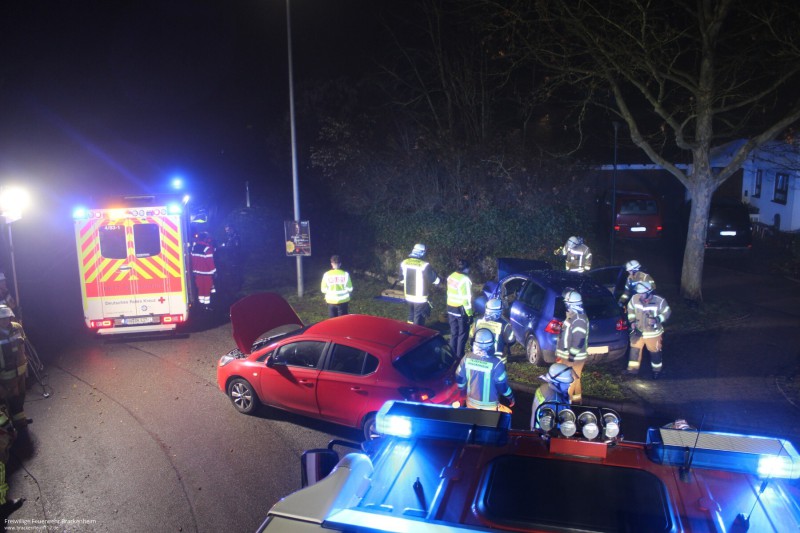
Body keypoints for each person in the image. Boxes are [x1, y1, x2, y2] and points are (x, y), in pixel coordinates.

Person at [456, 328, 515, 411]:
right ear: (491, 344)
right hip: (490, 406)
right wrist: (510, 397)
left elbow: (459, 378)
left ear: (474, 342)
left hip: (471, 403)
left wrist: (462, 392)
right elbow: (502, 387)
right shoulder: (497, 363)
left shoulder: (466, 358)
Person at [626, 280, 671, 379]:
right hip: (638, 332)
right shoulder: (634, 299)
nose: (640, 295)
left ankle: (657, 371)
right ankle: (632, 371)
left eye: (642, 293)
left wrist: (657, 319)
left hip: (653, 334)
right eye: (639, 293)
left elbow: (667, 312)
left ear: (649, 292)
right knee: (634, 351)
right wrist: (632, 321)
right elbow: (630, 309)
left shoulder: (660, 301)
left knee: (655, 353)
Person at [555, 290, 589, 403]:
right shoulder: (573, 317)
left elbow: (579, 339)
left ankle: (566, 401)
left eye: (567, 304)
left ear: (572, 304)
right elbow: (565, 333)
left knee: (569, 378)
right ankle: (577, 400)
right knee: (576, 377)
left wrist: (572, 356)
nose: (566, 306)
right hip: (570, 355)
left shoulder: (579, 320)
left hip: (575, 357)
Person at [0, 305, 28, 430]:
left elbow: (23, 344)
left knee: (21, 395)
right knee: (12, 398)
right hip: (6, 375)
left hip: (21, 370)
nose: (5, 320)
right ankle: (16, 425)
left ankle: (20, 420)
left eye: (6, 317)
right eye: (1, 318)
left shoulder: (17, 327)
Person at [399, 243, 440, 325]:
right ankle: (417, 331)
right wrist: (438, 281)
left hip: (408, 294)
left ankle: (409, 329)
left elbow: (401, 280)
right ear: (422, 252)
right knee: (418, 316)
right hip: (420, 297)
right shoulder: (424, 265)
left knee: (411, 313)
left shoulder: (404, 263)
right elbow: (433, 279)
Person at [530, 363, 574, 430]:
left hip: (535, 429)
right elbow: (556, 427)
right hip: (545, 433)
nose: (569, 385)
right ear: (556, 383)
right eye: (565, 383)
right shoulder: (555, 401)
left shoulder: (543, 387)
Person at [469, 298, 514, 364]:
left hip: (477, 358)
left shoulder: (477, 321)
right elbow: (511, 340)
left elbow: (471, 337)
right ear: (500, 311)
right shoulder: (505, 325)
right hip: (497, 360)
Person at [446, 259, 473, 359]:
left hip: (450, 308)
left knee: (454, 333)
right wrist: (470, 314)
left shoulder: (451, 276)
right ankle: (459, 356)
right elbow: (466, 299)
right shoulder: (465, 280)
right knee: (462, 334)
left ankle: (452, 354)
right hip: (460, 310)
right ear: (466, 268)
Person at [191, 232, 217, 309]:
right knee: (207, 289)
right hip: (206, 273)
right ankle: (207, 306)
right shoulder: (207, 248)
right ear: (205, 239)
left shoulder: (194, 247)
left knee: (200, 289)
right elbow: (210, 261)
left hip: (197, 272)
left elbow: (192, 260)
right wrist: (214, 271)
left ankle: (201, 305)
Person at [218, 224, 243, 294]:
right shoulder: (230, 237)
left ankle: (238, 286)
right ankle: (234, 285)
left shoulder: (236, 237)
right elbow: (227, 244)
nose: (227, 232)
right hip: (231, 257)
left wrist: (225, 247)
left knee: (236, 272)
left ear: (231, 229)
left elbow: (236, 247)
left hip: (235, 257)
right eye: (226, 230)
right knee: (231, 271)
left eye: (228, 230)